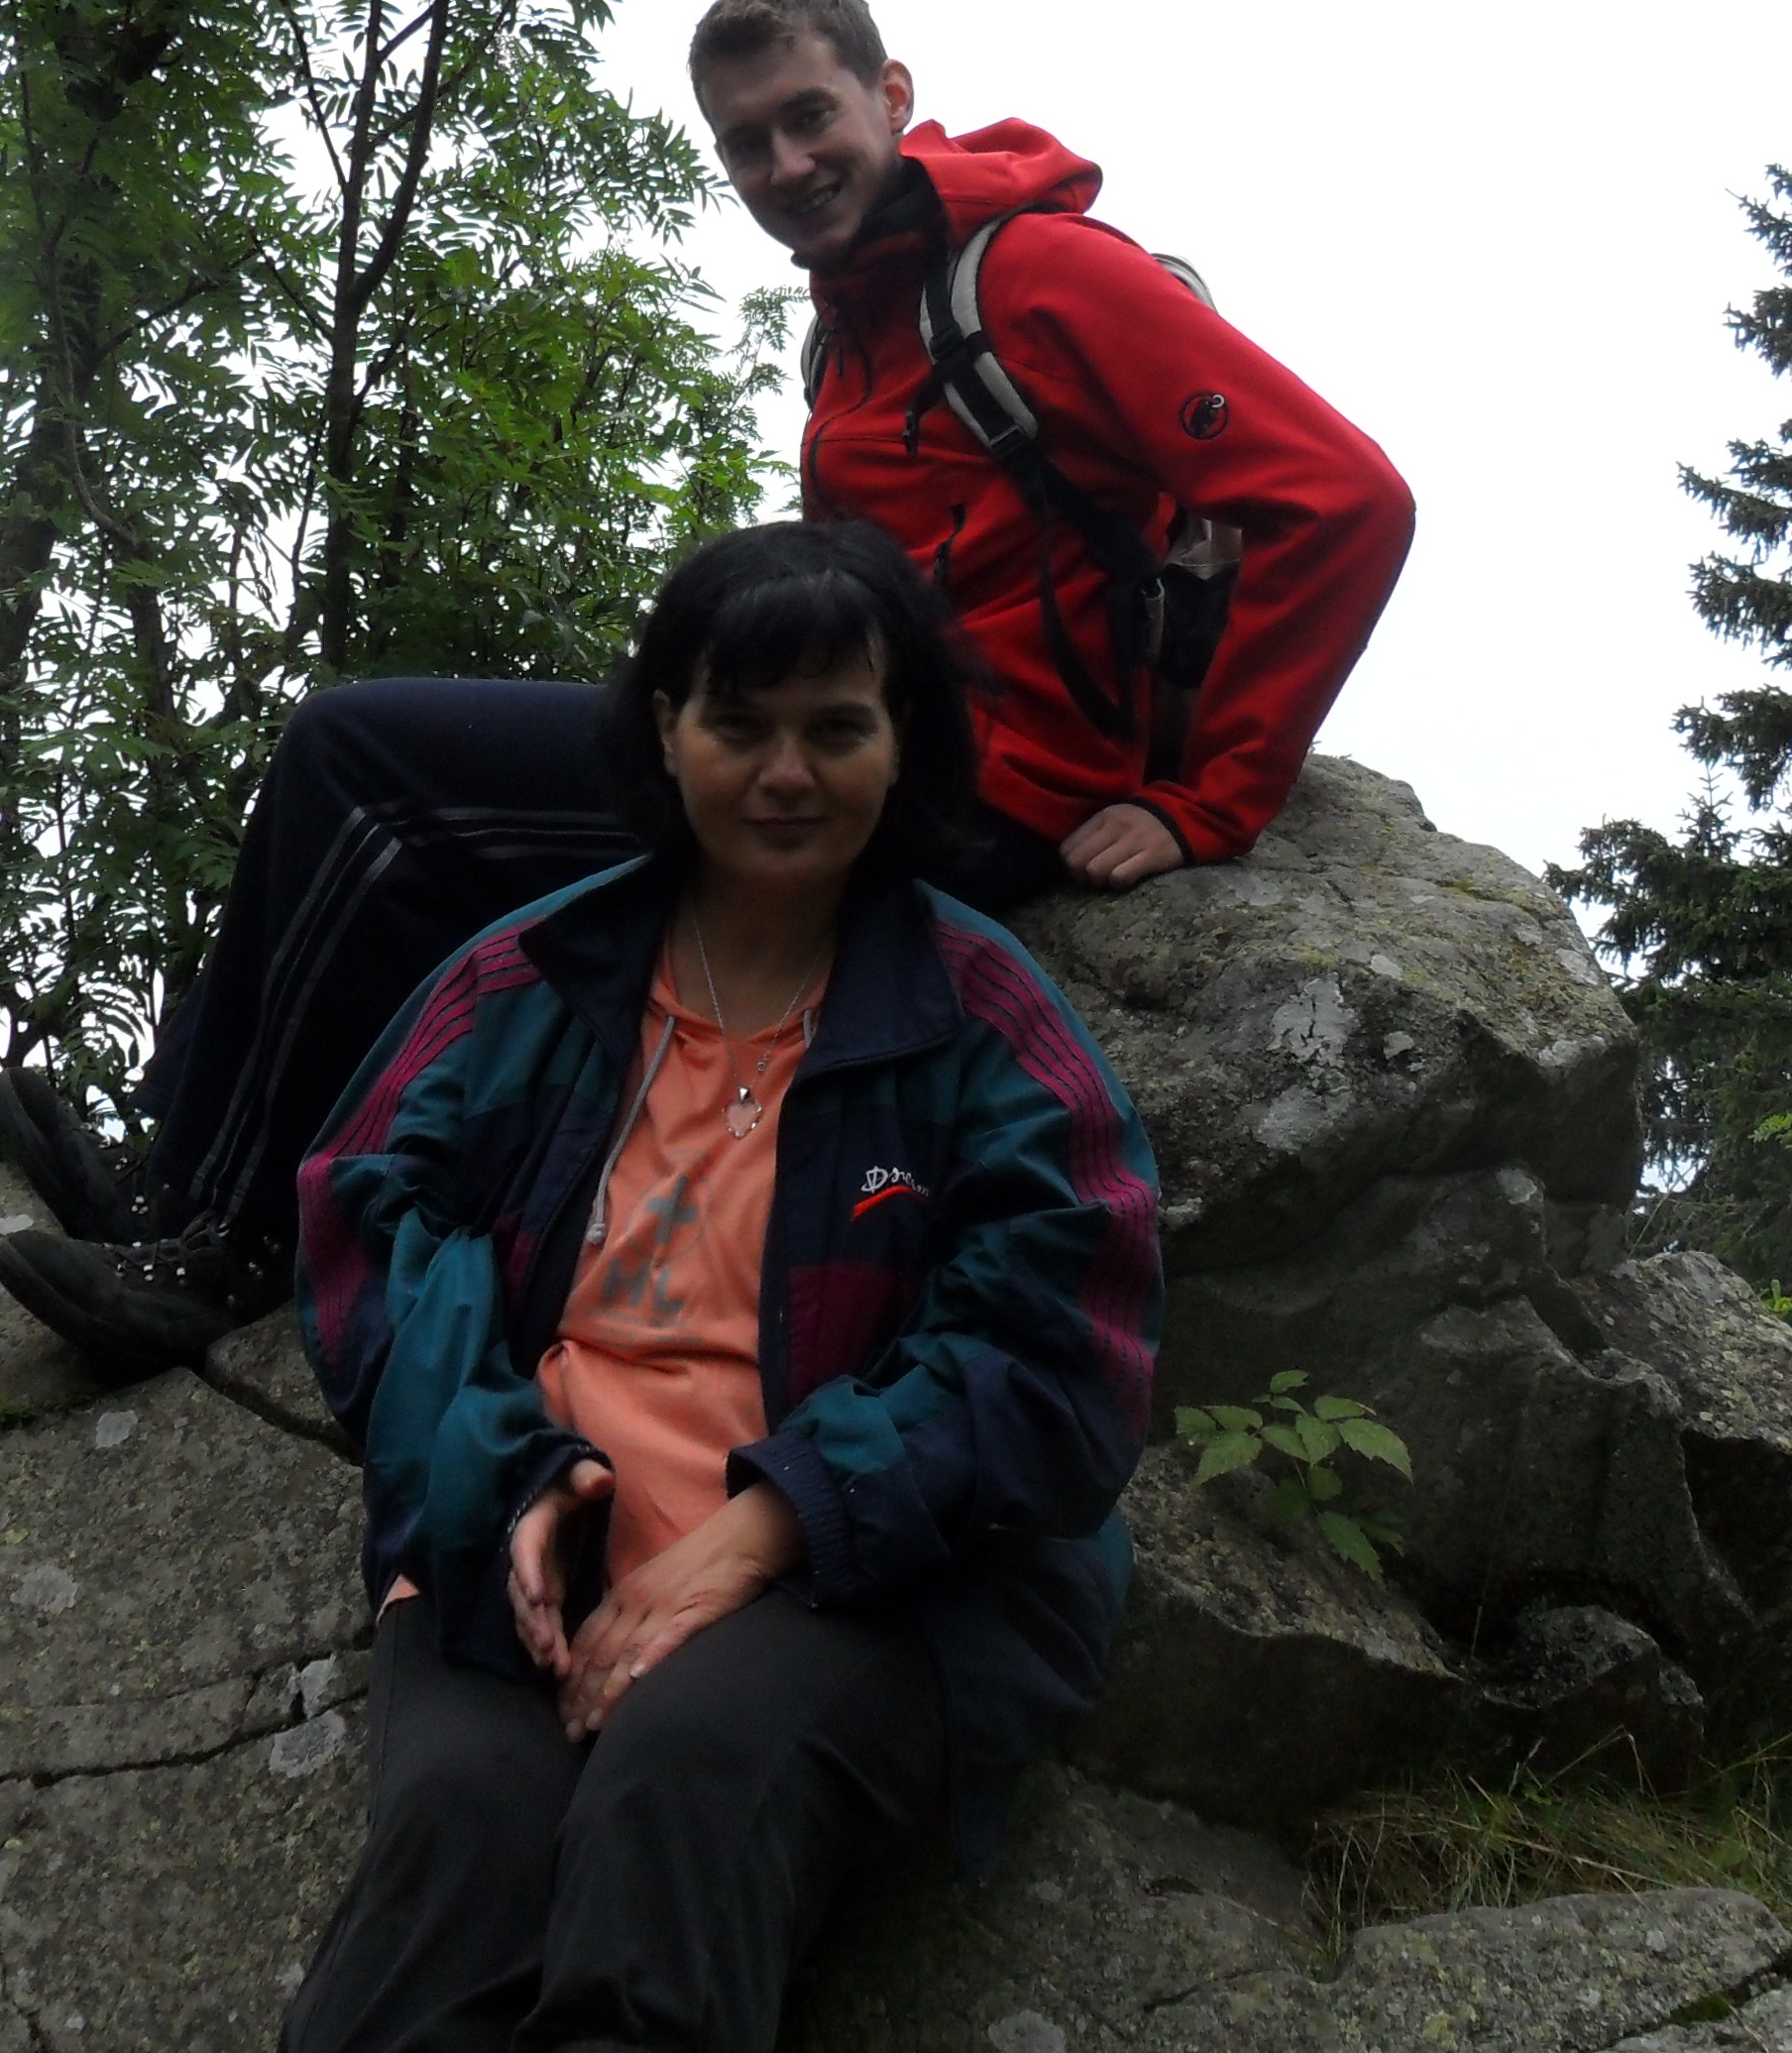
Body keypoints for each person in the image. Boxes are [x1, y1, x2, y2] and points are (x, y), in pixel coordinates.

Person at [0, 0, 1408, 1375]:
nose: (785, 164)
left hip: (975, 801)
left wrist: (1206, 803)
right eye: (745, 142)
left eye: (810, 116)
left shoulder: (1039, 274)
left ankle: (227, 1238)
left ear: (891, 97)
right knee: (397, 786)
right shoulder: (855, 323)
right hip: (853, 748)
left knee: (369, 772)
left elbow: (1346, 500)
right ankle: (184, 1176)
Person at [279, 521, 1163, 2053]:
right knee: (461, 1834)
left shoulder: (980, 1017)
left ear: (904, 742)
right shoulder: (526, 978)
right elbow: (367, 1244)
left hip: (877, 1569)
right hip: (528, 1528)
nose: (785, 773)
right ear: (665, 731)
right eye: (739, 726)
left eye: (838, 729)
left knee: (682, 1782)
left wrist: (768, 1530)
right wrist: (511, 1475)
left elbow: (1062, 1352)